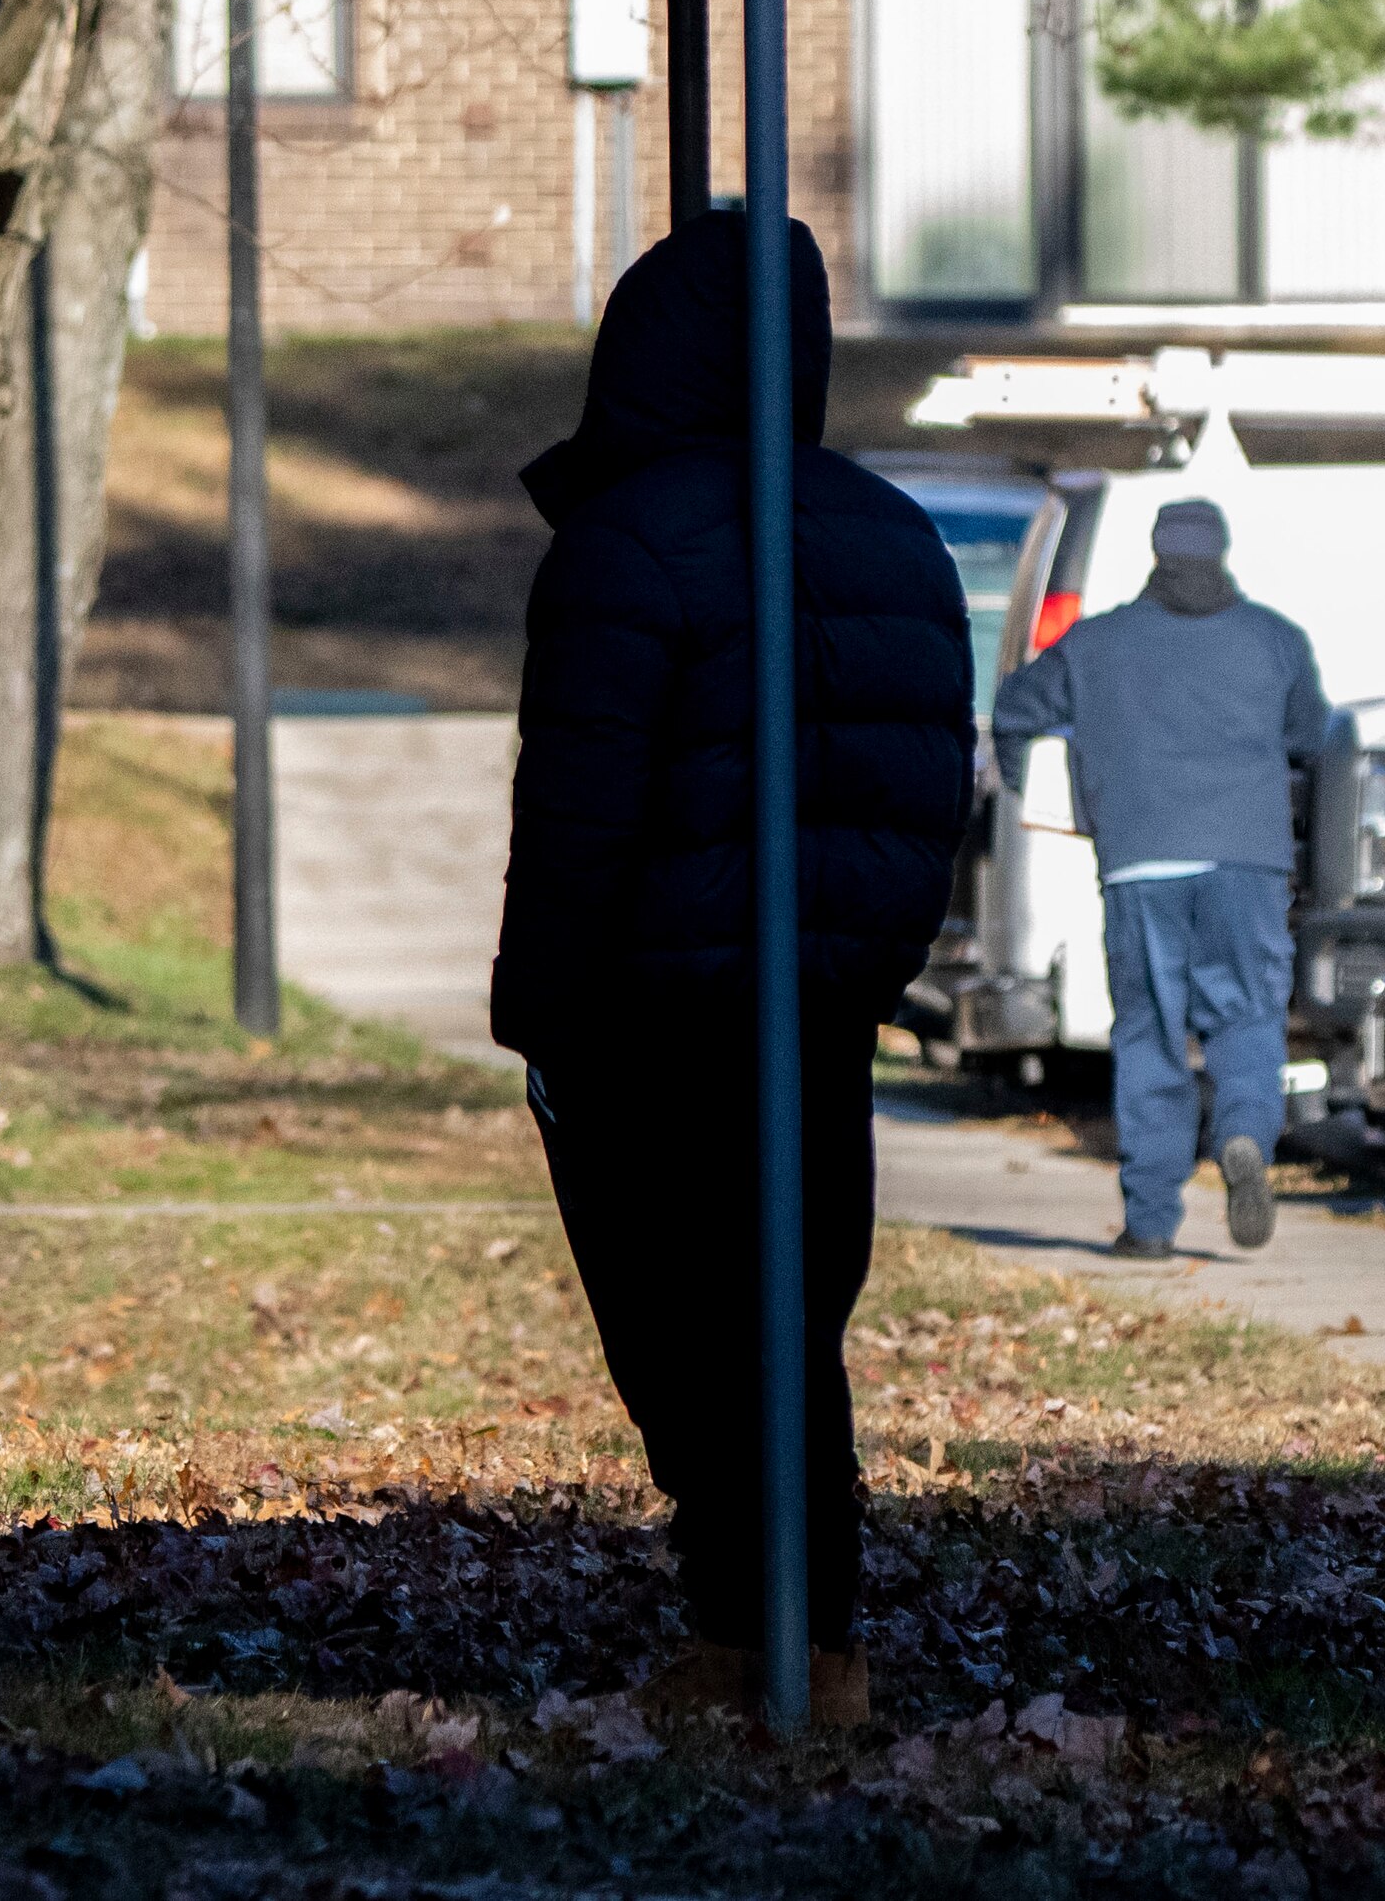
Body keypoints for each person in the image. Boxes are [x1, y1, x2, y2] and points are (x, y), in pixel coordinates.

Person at [493, 213, 972, 1726]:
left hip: (653, 1004)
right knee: (792, 1322)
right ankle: (807, 1642)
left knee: (685, 1332)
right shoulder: (893, 531)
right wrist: (870, 968)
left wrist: (541, 1007)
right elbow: (926, 795)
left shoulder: (629, 539)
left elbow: (581, 803)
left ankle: (746, 1634)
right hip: (819, 1001)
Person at [988, 498, 1330, 1258]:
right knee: (1247, 1018)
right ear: (1221, 550)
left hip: (1139, 860)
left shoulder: (1096, 642)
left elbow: (1013, 710)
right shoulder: (1273, 639)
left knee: (1149, 1034)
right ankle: (1245, 1135)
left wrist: (1029, 787)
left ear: (1155, 552)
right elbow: (1312, 740)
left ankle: (1148, 1224)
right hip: (1247, 861)